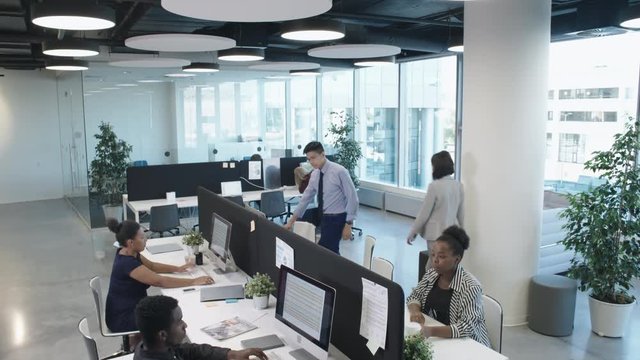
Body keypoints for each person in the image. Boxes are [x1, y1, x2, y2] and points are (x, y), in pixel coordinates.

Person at [105, 218, 214, 336]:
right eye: (142, 238)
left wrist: (177, 268)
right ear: (130, 242)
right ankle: (163, 348)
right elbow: (160, 281)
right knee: (167, 320)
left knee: (165, 312)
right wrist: (194, 281)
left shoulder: (128, 252)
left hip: (131, 308)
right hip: (123, 318)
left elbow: (152, 266)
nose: (145, 239)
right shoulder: (127, 264)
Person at [406, 226, 490, 347]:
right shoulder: (431, 274)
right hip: (439, 341)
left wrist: (431, 331)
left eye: (441, 256)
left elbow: (467, 327)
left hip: (468, 345)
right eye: (433, 254)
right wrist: (415, 311)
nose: (435, 260)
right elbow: (415, 296)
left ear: (457, 259)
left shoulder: (470, 287)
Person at [134, 295, 268, 360]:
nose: (185, 325)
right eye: (179, 322)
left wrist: (231, 354)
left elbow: (188, 350)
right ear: (162, 335)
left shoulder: (154, 346)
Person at [284, 141, 359, 254]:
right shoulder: (315, 174)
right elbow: (305, 199)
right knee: (329, 252)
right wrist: (291, 221)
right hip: (323, 217)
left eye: (313, 157)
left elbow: (353, 198)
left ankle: (334, 270)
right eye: (309, 159)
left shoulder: (340, 171)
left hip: (337, 218)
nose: (311, 162)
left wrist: (349, 224)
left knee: (325, 251)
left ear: (323, 154)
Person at [407, 151, 464, 268]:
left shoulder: (434, 186)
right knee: (440, 265)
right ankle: (427, 286)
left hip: (435, 235)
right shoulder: (458, 186)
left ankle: (426, 286)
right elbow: (461, 213)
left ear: (437, 167)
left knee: (433, 267)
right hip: (451, 235)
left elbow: (424, 213)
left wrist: (413, 232)